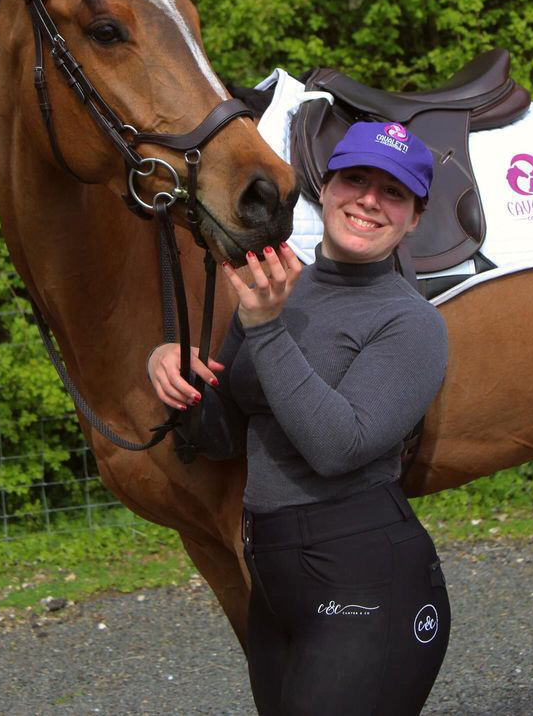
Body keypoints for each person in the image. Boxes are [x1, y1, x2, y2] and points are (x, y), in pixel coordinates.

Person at [148, 121, 450, 716]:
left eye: (393, 192)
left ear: (414, 219)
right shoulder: (280, 288)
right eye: (355, 179)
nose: (368, 199)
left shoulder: (411, 323)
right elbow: (223, 436)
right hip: (276, 586)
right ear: (325, 188)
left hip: (368, 580)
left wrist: (265, 327)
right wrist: (173, 373)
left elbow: (338, 446)